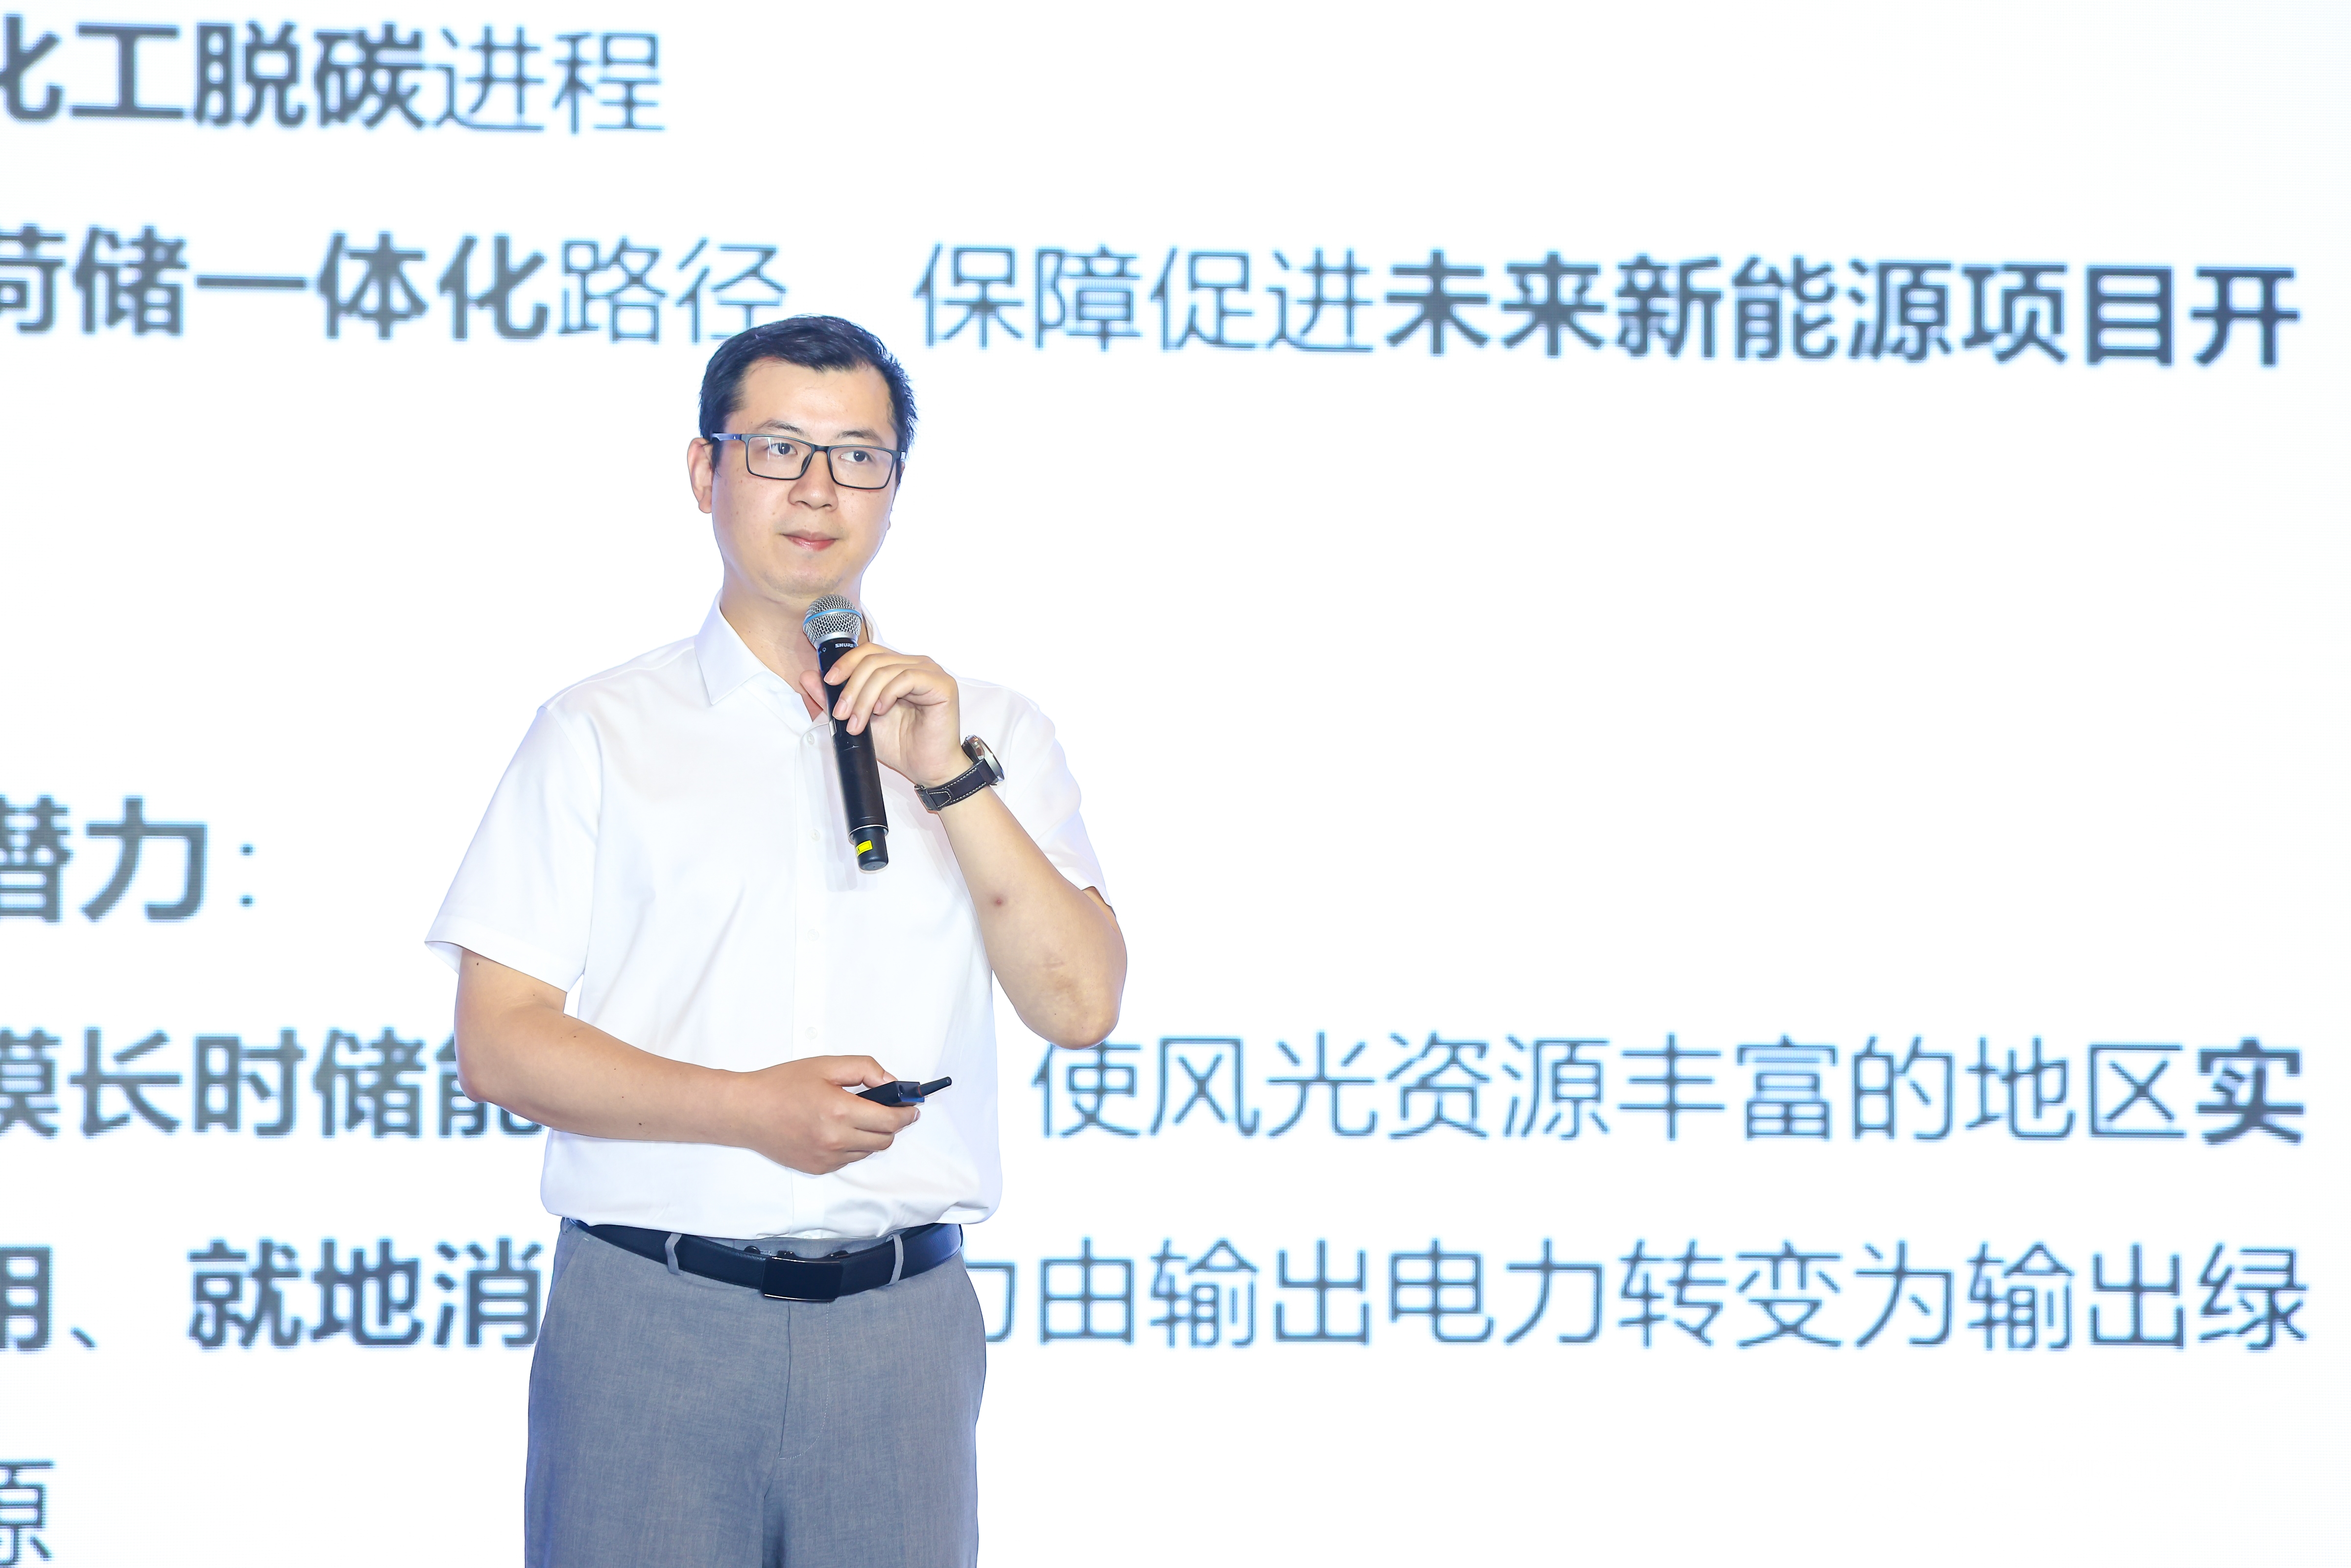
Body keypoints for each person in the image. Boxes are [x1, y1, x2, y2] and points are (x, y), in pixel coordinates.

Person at [425, 314, 1125, 1567]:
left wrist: (948, 777)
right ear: (705, 471)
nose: (818, 489)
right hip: (651, 1318)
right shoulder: (598, 730)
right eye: (779, 449)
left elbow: (1079, 1003)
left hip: (899, 1334)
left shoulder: (990, 728)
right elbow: (502, 1043)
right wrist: (749, 1108)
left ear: (895, 490)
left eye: (858, 457)